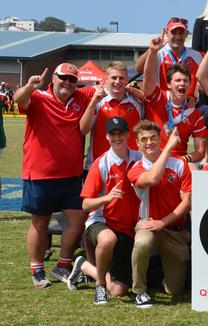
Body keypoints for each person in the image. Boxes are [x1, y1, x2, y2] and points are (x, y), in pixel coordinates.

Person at [14, 63, 95, 288]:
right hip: (40, 174)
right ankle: (37, 269)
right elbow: (19, 100)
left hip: (70, 175)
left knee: (78, 219)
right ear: (54, 78)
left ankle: (62, 265)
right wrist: (29, 86)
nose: (67, 83)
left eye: (72, 80)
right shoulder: (38, 96)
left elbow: (111, 83)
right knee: (40, 223)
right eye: (63, 78)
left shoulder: (80, 96)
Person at [69, 117, 142, 305]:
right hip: (101, 221)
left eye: (121, 133)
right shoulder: (101, 163)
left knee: (119, 290)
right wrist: (107, 198)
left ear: (128, 134)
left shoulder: (140, 159)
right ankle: (100, 287)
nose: (117, 137)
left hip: (128, 226)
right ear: (107, 137)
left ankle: (84, 266)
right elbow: (85, 205)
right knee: (108, 239)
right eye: (112, 134)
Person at [127, 121, 191, 308]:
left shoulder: (179, 164)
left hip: (174, 229)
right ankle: (139, 291)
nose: (149, 143)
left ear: (160, 138)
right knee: (142, 243)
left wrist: (162, 222)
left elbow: (187, 202)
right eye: (144, 139)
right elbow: (153, 178)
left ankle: (156, 275)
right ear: (137, 144)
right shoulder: (135, 168)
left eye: (154, 138)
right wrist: (169, 147)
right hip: (148, 225)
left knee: (175, 290)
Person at [143, 34, 208, 164]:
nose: (182, 83)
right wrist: (153, 51)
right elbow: (148, 77)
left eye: (185, 81)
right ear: (168, 84)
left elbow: (200, 151)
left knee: (193, 169)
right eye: (177, 80)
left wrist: (184, 160)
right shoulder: (157, 97)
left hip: (177, 162)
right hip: (152, 159)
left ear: (190, 84)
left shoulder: (195, 115)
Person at [135, 17, 208, 99]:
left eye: (181, 33)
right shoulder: (157, 53)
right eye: (174, 32)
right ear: (166, 33)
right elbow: (138, 68)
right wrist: (152, 50)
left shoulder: (196, 55)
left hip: (186, 108)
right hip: (162, 106)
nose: (177, 36)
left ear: (186, 34)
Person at [79, 61, 144, 169]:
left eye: (121, 78)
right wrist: (92, 103)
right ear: (106, 79)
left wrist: (132, 90)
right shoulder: (97, 100)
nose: (117, 82)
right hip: (98, 167)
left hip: (130, 167)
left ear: (127, 80)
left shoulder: (138, 102)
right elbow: (84, 130)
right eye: (114, 78)